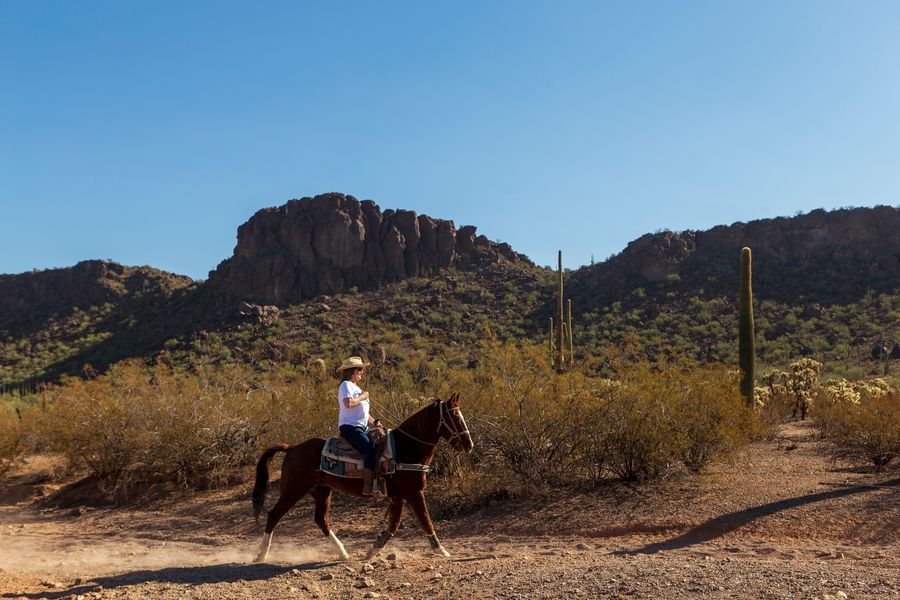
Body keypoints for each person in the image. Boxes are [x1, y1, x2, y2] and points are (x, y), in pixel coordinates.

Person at [336, 356, 381, 496]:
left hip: (362, 427)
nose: (362, 372)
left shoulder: (356, 388)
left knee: (383, 444)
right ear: (352, 371)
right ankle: (367, 487)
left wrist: (375, 423)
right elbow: (348, 404)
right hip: (350, 427)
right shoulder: (345, 385)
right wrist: (363, 397)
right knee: (370, 448)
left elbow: (364, 413)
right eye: (359, 369)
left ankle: (379, 481)